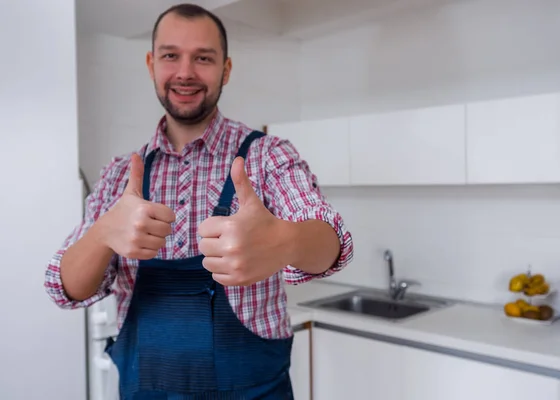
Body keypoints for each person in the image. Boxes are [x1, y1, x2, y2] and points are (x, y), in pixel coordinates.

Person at [44, 3, 353, 399]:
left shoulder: (267, 156)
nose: (185, 72)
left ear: (225, 69)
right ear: (151, 64)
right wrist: (104, 232)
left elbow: (332, 244)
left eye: (203, 58)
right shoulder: (121, 175)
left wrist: (287, 241)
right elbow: (65, 288)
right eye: (171, 56)